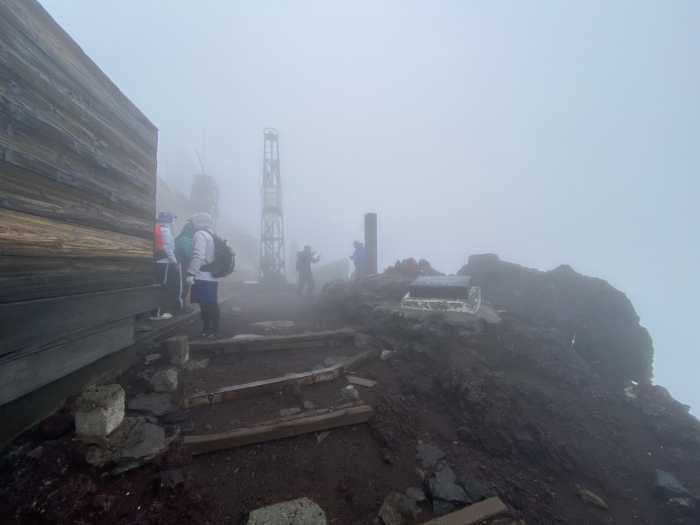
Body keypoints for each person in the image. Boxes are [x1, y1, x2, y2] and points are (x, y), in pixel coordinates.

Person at [186, 212, 220, 338]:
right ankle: (214, 329)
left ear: (197, 222)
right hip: (212, 275)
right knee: (212, 303)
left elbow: (198, 255)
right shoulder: (212, 234)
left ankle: (207, 330)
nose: (191, 225)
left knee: (204, 304)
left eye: (192, 222)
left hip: (202, 275)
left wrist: (191, 272)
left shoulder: (199, 235)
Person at [150, 211, 182, 320]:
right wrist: (174, 262)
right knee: (162, 286)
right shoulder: (166, 231)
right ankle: (157, 313)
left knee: (159, 285)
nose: (174, 222)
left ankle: (156, 311)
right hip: (164, 262)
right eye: (173, 220)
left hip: (160, 262)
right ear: (169, 221)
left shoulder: (161, 229)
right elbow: (168, 248)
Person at [174, 221, 195, 314]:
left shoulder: (182, 238)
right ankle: (180, 307)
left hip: (182, 264)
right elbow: (188, 254)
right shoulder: (184, 239)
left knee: (182, 285)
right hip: (181, 264)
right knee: (183, 286)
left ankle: (181, 305)